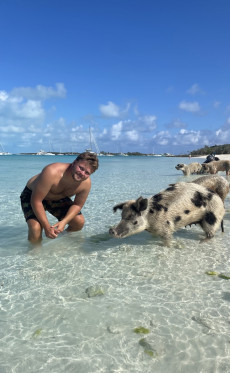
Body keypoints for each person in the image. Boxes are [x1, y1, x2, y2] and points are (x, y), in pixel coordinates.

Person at [20, 152, 99, 244]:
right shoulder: (52, 171)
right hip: (32, 195)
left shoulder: (85, 184)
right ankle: (34, 253)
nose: (82, 173)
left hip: (58, 198)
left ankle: (59, 241)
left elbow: (77, 205)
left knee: (78, 222)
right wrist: (47, 227)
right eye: (81, 168)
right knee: (36, 228)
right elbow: (36, 201)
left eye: (87, 173)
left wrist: (64, 222)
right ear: (74, 162)